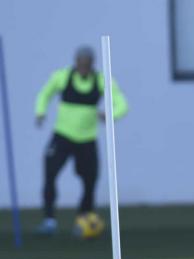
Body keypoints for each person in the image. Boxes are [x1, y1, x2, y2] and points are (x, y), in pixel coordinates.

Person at [34, 46, 128, 235]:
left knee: (90, 180)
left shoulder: (102, 80)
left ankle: (84, 219)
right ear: (75, 62)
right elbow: (44, 93)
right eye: (80, 62)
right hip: (62, 136)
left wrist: (111, 114)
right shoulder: (62, 77)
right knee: (50, 173)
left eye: (87, 63)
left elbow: (122, 104)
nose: (83, 66)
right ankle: (49, 219)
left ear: (92, 64)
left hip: (87, 139)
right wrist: (40, 112)